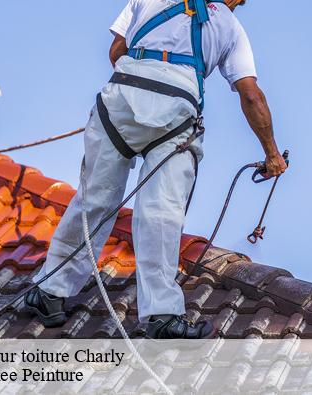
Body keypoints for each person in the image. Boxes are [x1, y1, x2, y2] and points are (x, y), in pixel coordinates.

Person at [25, 0, 287, 339]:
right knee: (161, 214)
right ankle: (161, 316)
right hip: (176, 113)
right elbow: (250, 95)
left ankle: (50, 291)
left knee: (94, 200)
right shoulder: (231, 27)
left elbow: (117, 50)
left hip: (120, 101)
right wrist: (272, 155)